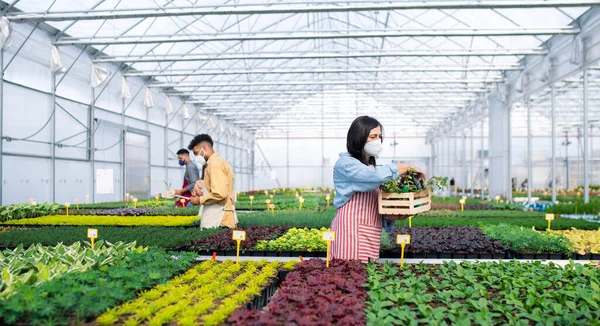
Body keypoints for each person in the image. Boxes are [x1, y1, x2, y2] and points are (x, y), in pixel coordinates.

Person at [330, 116, 425, 263]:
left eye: (380, 136)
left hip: (370, 230)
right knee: (350, 273)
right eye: (373, 136)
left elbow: (373, 202)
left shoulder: (370, 166)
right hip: (351, 230)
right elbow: (373, 176)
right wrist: (404, 167)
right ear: (358, 138)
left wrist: (390, 217)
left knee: (366, 275)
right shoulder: (346, 164)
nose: (378, 140)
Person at [188, 134, 237, 228]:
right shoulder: (217, 162)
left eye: (196, 153)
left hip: (219, 218)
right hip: (220, 215)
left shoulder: (215, 165)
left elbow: (220, 193)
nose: (196, 157)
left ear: (205, 148)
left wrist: (199, 200)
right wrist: (201, 192)